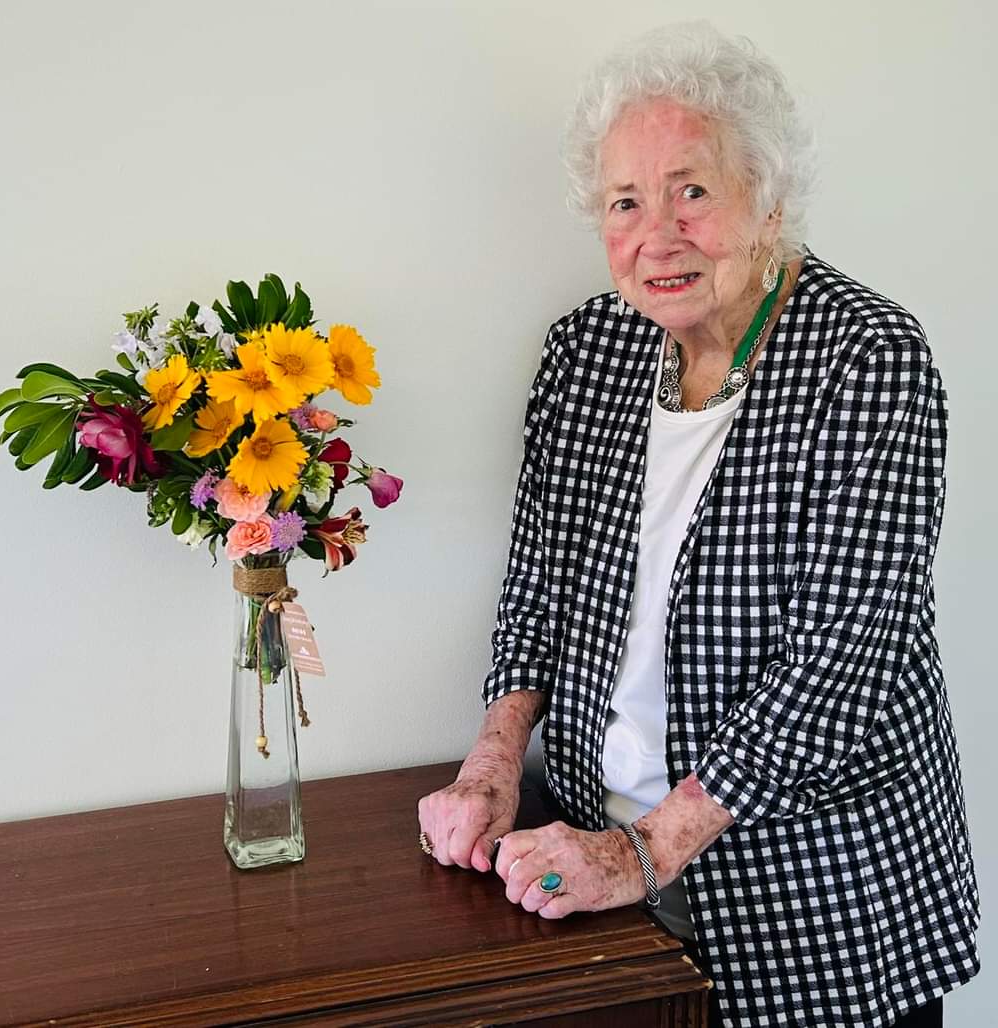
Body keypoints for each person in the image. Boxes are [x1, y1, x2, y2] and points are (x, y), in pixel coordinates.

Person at [416, 21, 979, 1028]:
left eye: (693, 190)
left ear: (767, 198)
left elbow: (843, 659)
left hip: (816, 895)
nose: (656, 234)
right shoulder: (587, 350)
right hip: (597, 876)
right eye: (626, 202)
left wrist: (643, 849)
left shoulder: (869, 357)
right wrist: (492, 765)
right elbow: (537, 586)